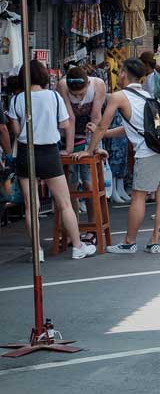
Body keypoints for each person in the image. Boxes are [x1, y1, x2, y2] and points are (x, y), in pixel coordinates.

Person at [83, 58, 160, 255]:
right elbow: (132, 128)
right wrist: (105, 134)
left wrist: (90, 149)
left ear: (124, 73)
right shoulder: (147, 96)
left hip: (149, 152)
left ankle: (129, 241)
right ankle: (154, 241)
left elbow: (102, 124)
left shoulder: (118, 96)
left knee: (138, 196)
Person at [8, 60, 96, 260]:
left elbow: (15, 130)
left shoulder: (17, 99)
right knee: (64, 202)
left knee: (32, 207)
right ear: (44, 76)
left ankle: (37, 250)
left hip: (25, 152)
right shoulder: (54, 97)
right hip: (49, 152)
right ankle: (78, 246)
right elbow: (65, 123)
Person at [56, 66, 106, 189]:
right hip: (68, 129)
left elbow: (96, 117)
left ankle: (90, 206)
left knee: (88, 178)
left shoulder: (98, 85)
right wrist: (69, 149)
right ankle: (73, 207)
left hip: (88, 126)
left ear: (88, 84)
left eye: (81, 94)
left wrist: (94, 147)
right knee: (71, 177)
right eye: (74, 95)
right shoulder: (62, 85)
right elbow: (70, 117)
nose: (78, 98)